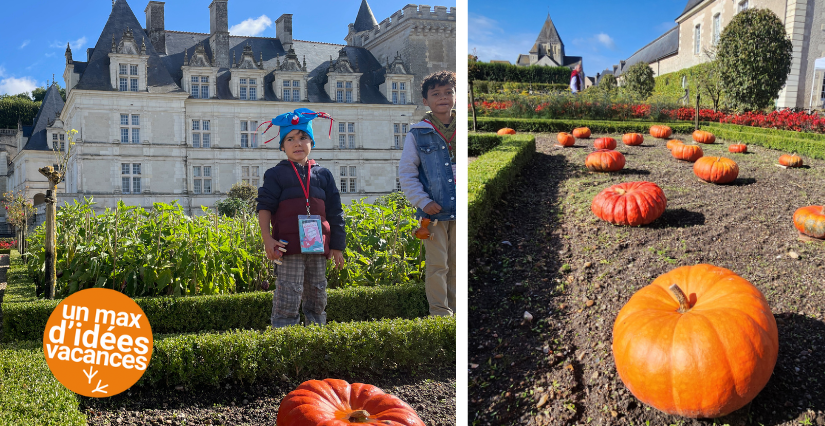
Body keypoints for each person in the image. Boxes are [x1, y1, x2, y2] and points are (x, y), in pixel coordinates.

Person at [256, 108, 346, 328]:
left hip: (317, 246)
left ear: (311, 142)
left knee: (317, 292)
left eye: (303, 137)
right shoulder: (275, 174)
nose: (297, 143)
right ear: (282, 146)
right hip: (287, 246)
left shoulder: (323, 174)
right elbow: (264, 207)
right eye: (290, 139)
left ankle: (315, 335)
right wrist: (267, 239)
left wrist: (337, 246)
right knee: (288, 292)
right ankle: (284, 337)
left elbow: (335, 212)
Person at [399, 70, 457, 316]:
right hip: (433, 213)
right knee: (437, 265)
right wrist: (423, 201)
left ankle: (456, 311)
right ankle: (441, 314)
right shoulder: (417, 133)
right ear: (425, 101)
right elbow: (407, 173)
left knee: (456, 265)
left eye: (448, 92)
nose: (442, 98)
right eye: (436, 94)